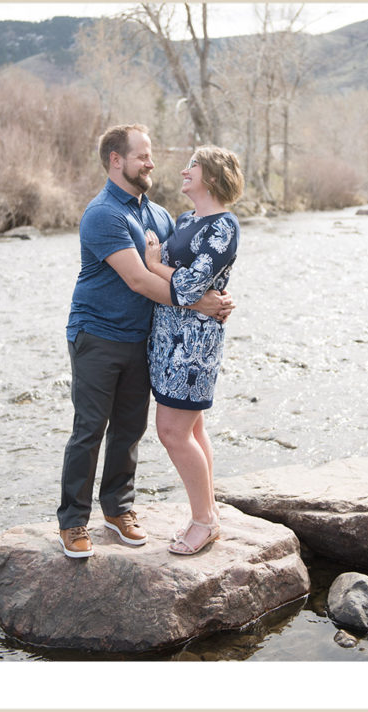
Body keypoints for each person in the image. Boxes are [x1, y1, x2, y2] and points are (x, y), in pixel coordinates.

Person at [58, 124, 233, 559]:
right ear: (116, 160)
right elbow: (139, 278)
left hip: (145, 340)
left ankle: (118, 510)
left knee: (130, 429)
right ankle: (73, 521)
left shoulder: (159, 215)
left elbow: (187, 270)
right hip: (98, 334)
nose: (151, 164)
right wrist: (202, 304)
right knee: (89, 429)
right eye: (142, 156)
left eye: (150, 156)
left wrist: (218, 295)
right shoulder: (103, 214)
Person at [143, 145, 244, 555]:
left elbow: (187, 287)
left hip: (194, 345)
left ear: (213, 177)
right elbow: (187, 281)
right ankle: (208, 511)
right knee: (193, 429)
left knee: (172, 432)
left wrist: (153, 265)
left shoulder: (224, 226)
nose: (184, 171)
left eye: (193, 166)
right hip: (167, 340)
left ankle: (204, 521)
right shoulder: (185, 220)